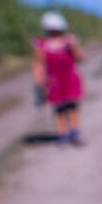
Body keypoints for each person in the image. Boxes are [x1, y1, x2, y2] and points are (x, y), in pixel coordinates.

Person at [32, 11, 85, 146]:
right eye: (52, 29)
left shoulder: (69, 41)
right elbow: (38, 62)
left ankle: (75, 132)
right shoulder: (42, 44)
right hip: (54, 81)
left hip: (69, 78)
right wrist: (39, 80)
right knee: (58, 109)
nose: (54, 32)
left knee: (72, 106)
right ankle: (62, 134)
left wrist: (74, 45)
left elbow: (81, 58)